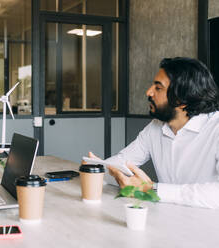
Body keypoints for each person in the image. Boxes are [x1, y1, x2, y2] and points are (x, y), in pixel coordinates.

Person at [88, 57, 219, 209]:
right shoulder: (156, 127)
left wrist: (153, 189)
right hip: (168, 220)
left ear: (182, 99)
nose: (148, 92)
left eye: (158, 88)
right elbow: (123, 162)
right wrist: (97, 167)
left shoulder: (215, 128)